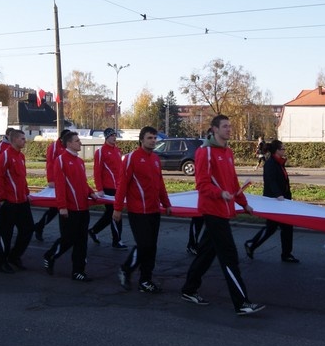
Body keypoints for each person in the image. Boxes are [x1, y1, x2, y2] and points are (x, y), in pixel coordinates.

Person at [180, 115, 265, 316]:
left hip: (224, 211)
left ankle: (189, 289)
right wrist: (220, 193)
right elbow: (201, 184)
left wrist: (244, 204)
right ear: (214, 130)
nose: (229, 129)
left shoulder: (227, 152)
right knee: (229, 257)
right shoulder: (205, 152)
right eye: (225, 126)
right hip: (213, 211)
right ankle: (241, 303)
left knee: (206, 254)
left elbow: (233, 182)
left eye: (230, 125)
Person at [114, 126, 173, 293]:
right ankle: (126, 269)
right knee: (144, 245)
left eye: (154, 138)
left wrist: (166, 203)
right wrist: (117, 208)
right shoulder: (131, 158)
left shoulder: (155, 159)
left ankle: (145, 280)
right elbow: (122, 184)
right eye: (150, 138)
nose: (153, 141)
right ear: (141, 140)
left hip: (154, 210)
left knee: (151, 247)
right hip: (138, 211)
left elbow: (160, 184)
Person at [43, 131, 103, 281]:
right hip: (69, 209)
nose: (80, 143)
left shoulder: (79, 161)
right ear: (69, 143)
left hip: (83, 208)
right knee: (68, 239)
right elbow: (60, 186)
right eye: (77, 141)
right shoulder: (61, 160)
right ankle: (50, 255)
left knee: (82, 241)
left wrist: (91, 193)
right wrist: (62, 206)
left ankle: (78, 271)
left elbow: (82, 182)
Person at [244, 140, 299, 263]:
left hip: (282, 201)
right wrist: (278, 195)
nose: (284, 151)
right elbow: (271, 181)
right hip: (274, 201)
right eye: (283, 149)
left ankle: (286, 253)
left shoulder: (279, 163)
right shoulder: (270, 164)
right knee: (273, 228)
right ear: (277, 150)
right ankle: (252, 244)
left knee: (285, 227)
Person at [0, 129, 34, 273]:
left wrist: (27, 193)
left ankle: (14, 256)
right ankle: (2, 262)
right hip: (9, 201)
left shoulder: (21, 156)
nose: (25, 141)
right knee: (6, 234)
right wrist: (2, 199)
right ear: (14, 140)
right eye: (22, 138)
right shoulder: (5, 155)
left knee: (28, 229)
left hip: (22, 201)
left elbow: (22, 178)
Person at [88, 128, 125, 248]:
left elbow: (120, 170)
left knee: (110, 214)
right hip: (108, 188)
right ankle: (117, 240)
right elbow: (97, 171)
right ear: (106, 137)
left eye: (115, 135)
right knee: (115, 213)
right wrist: (99, 189)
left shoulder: (117, 151)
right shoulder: (101, 151)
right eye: (112, 136)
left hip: (118, 187)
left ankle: (93, 231)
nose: (114, 138)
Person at [34, 130, 69, 241]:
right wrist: (51, 180)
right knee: (56, 208)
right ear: (62, 139)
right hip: (57, 183)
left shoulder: (67, 146)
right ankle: (41, 227)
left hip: (66, 182)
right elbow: (50, 163)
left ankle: (40, 226)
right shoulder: (54, 147)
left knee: (57, 209)